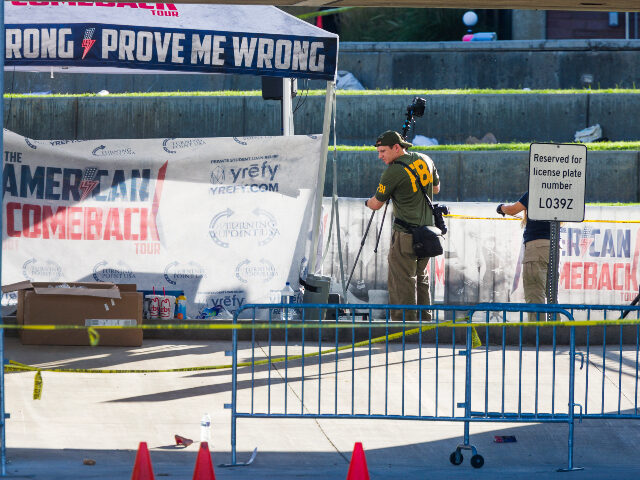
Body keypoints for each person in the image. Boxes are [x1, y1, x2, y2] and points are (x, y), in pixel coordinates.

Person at [365, 130, 440, 321]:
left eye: (383, 151)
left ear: (396, 148)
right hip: (428, 233)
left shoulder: (393, 171)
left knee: (402, 279)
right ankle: (425, 321)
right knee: (421, 278)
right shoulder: (425, 159)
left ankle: (404, 325)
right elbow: (436, 188)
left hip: (406, 234)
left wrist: (365, 202)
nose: (380, 156)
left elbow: (376, 204)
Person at [497, 192, 551, 321]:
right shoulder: (559, 192)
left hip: (536, 247)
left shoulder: (537, 189)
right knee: (552, 294)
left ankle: (538, 335)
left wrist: (501, 208)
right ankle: (554, 333)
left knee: (534, 293)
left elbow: (513, 209)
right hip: (554, 246)